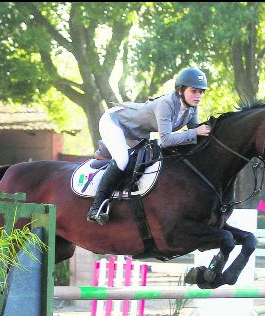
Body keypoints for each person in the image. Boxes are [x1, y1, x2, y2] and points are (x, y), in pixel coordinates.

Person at [86, 67, 212, 224]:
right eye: (194, 91)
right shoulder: (166, 104)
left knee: (137, 161)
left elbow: (195, 132)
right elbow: (165, 140)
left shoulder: (192, 108)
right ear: (180, 90)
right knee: (122, 160)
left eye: (201, 92)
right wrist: (195, 133)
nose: (198, 96)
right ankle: (95, 208)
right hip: (115, 121)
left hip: (137, 133)